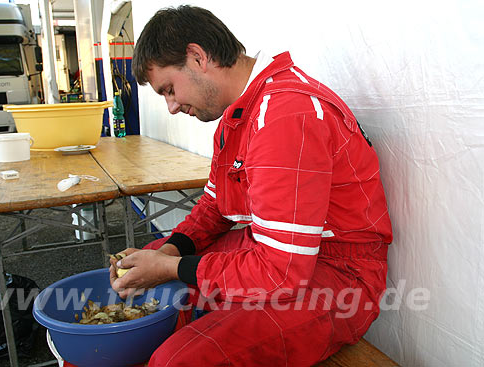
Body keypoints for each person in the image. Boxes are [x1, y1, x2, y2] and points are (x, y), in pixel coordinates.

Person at [109, 5, 393, 366]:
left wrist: (170, 267)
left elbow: (281, 273)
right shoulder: (242, 112)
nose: (171, 107)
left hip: (339, 277)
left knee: (175, 361)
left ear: (197, 57)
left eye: (169, 89)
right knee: (150, 256)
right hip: (287, 255)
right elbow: (214, 208)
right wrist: (170, 251)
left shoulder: (286, 114)